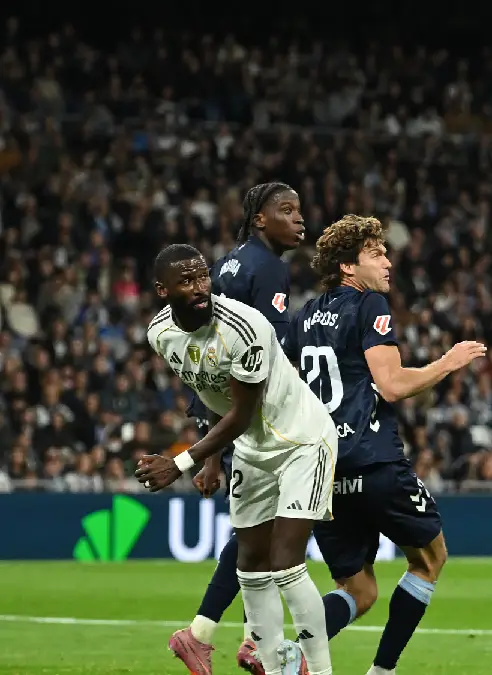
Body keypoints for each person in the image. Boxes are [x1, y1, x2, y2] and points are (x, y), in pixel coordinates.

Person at [285, 214, 486, 675]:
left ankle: (291, 653)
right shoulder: (369, 303)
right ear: (348, 268)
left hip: (323, 471)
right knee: (431, 557)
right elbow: (392, 385)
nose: (388, 261)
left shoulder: (304, 317)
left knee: (358, 591)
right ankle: (382, 672)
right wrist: (448, 362)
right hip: (373, 460)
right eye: (376, 253)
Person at [137, 244, 337, 675]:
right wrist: (212, 462)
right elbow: (210, 387)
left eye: (202, 277)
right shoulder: (159, 333)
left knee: (286, 562)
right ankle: (274, 665)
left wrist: (183, 462)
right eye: (186, 281)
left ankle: (320, 672)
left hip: (301, 439)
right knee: (249, 567)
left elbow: (243, 411)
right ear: (162, 290)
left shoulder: (245, 327)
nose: (199, 288)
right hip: (250, 446)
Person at [168, 182, 309, 675]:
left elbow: (206, 360)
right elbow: (258, 359)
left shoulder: (230, 264)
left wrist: (209, 450)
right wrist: (209, 451)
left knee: (259, 535)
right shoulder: (268, 268)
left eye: (299, 211)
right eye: (286, 211)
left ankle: (214, 634)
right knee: (267, 536)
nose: (299, 219)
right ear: (259, 220)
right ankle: (247, 639)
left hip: (230, 418)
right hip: (258, 423)